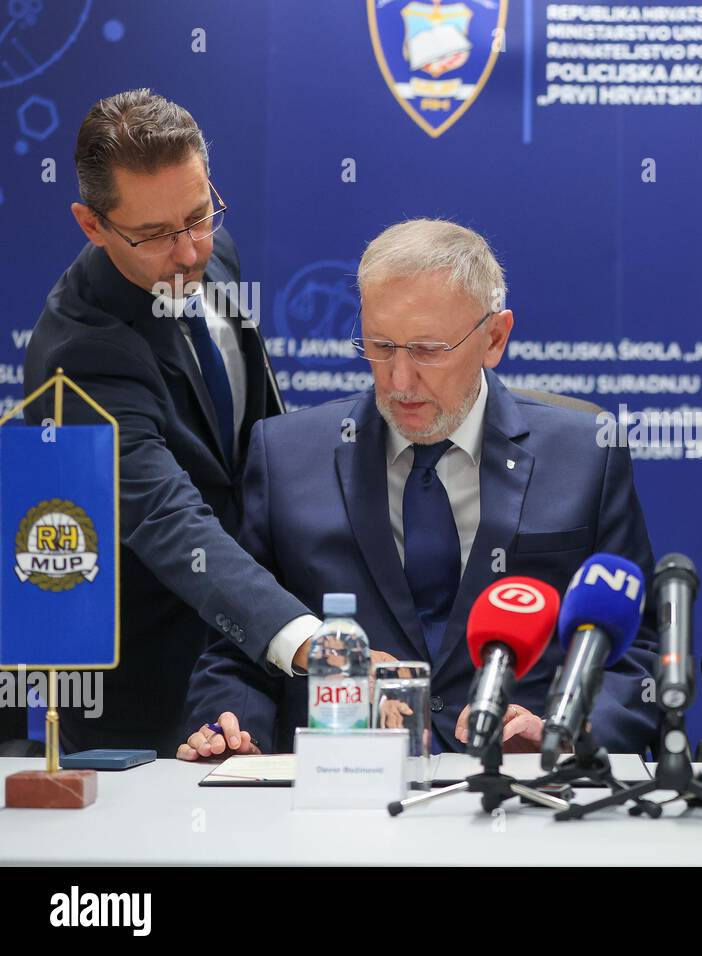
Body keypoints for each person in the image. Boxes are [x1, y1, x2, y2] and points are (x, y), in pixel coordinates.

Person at [179, 219, 659, 758]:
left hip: (524, 798)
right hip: (343, 799)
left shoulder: (584, 455)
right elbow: (238, 644)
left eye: (428, 350)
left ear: (494, 338)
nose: (399, 381)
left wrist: (568, 730)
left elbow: (635, 652)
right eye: (381, 346)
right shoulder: (284, 456)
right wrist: (233, 729)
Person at [23, 90, 312, 753]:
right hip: (152, 687)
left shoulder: (211, 252)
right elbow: (168, 520)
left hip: (253, 650)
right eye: (154, 234)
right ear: (92, 225)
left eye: (200, 214)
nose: (189, 252)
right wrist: (302, 638)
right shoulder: (80, 358)